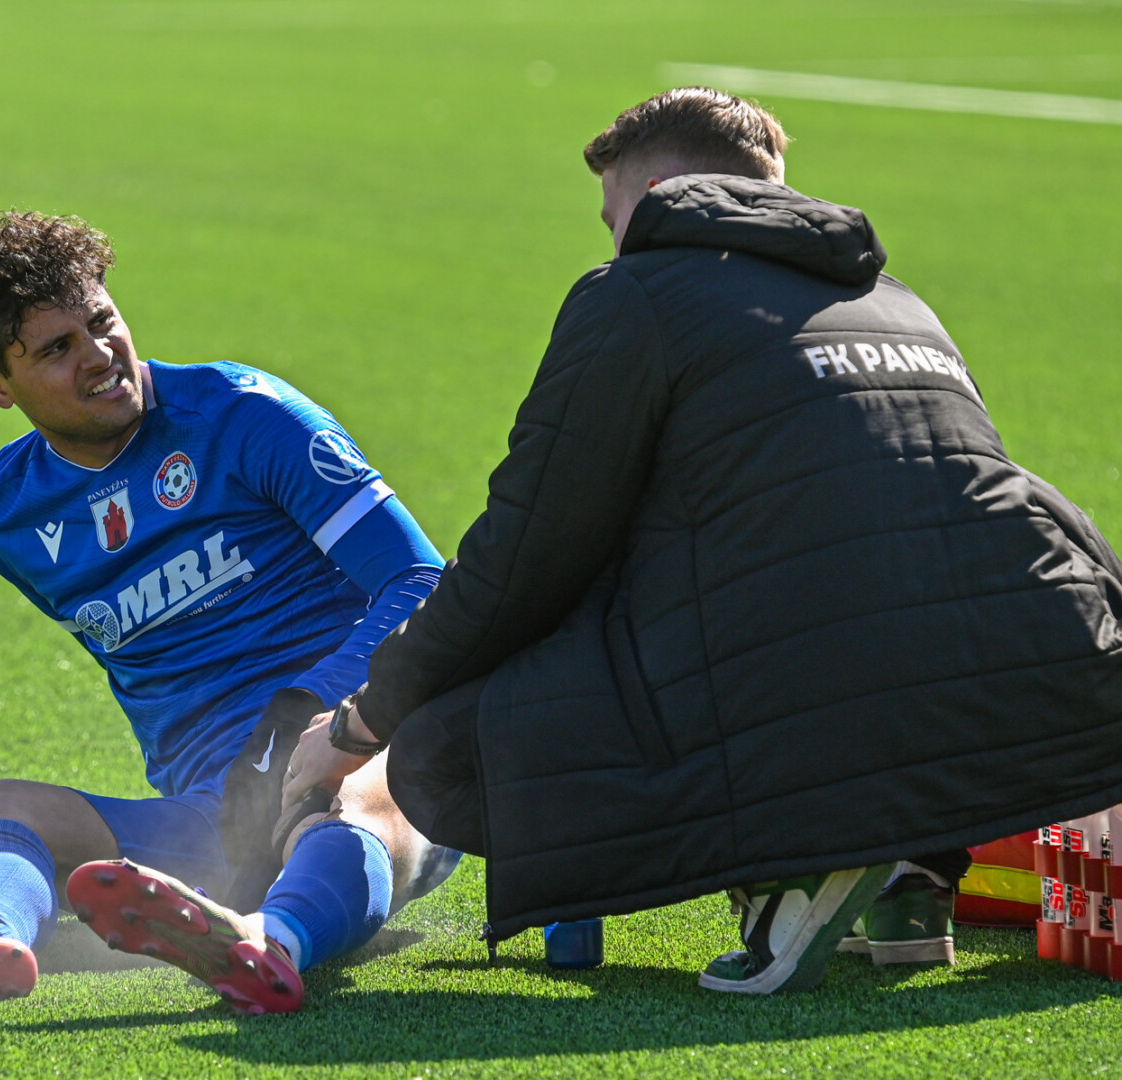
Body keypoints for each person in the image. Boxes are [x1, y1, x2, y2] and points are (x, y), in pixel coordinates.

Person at [283, 87, 1122, 994]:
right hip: (1056, 691)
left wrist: (363, 722)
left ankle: (793, 865)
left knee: (447, 748)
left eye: (613, 216)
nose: (613, 239)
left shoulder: (635, 294)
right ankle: (911, 874)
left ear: (657, 194)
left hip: (835, 696)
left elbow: (522, 556)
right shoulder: (895, 298)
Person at [0, 211, 458, 1014]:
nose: (99, 355)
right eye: (56, 349)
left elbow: (420, 580)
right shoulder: (5, 517)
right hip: (213, 813)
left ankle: (268, 941)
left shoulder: (243, 415)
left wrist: (322, 717)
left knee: (347, 800)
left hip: (358, 746)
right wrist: (230, 803)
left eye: (101, 323)